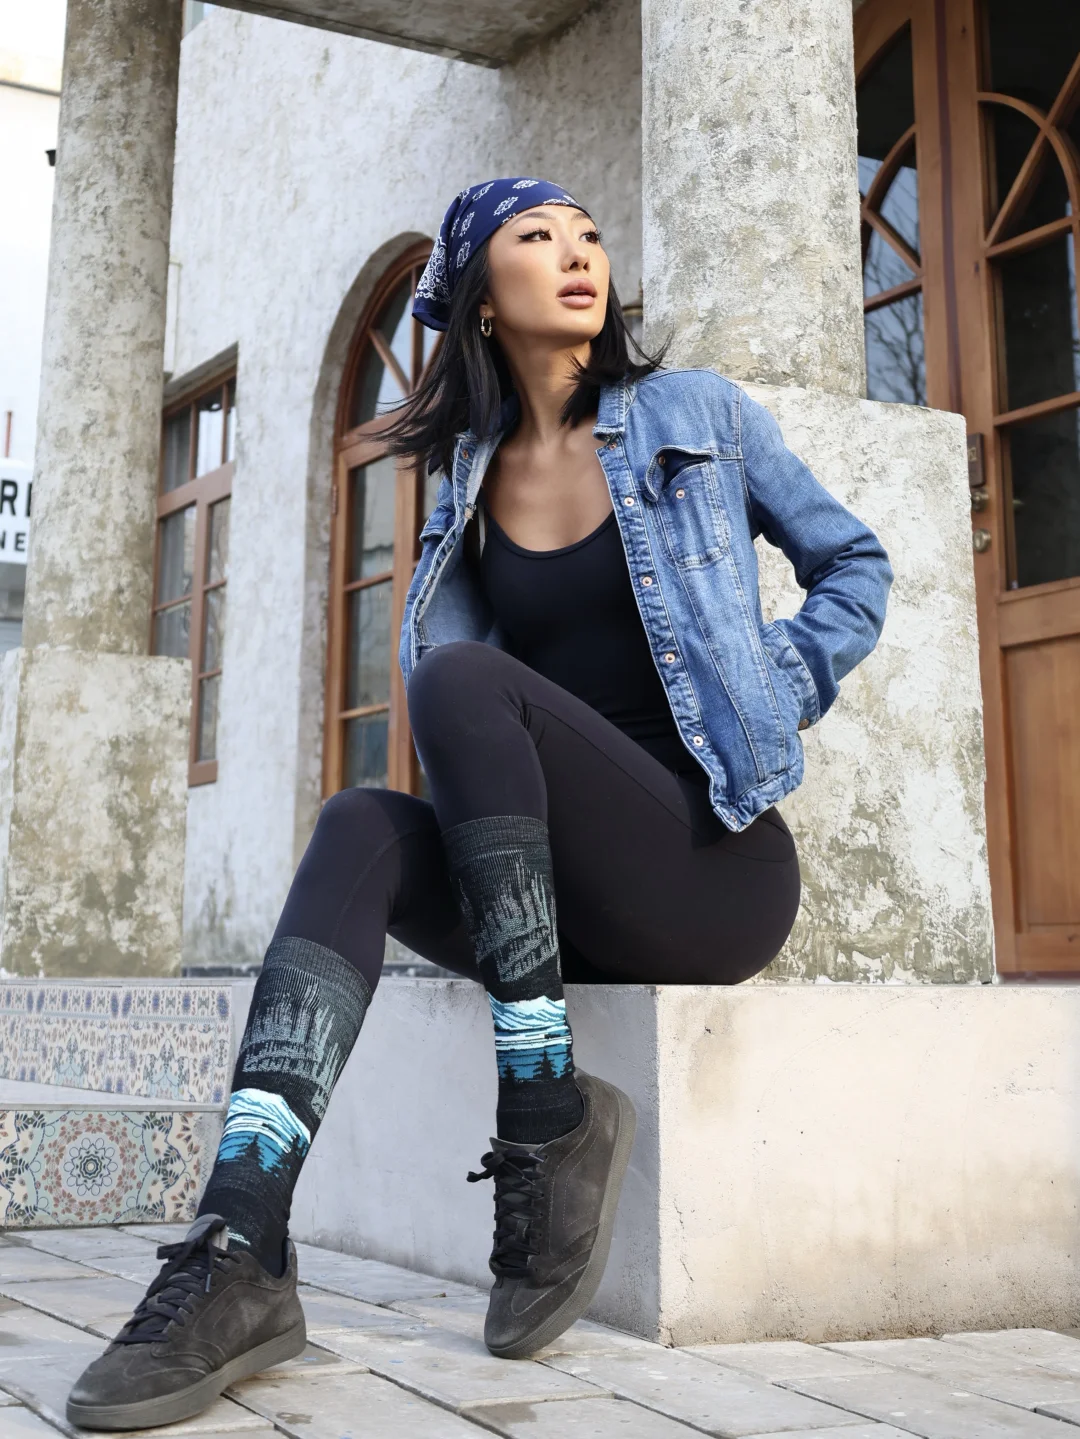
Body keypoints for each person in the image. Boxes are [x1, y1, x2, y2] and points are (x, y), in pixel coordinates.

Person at [67, 177, 892, 1432]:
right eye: (537, 237)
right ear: (480, 297)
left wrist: (777, 685)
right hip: (552, 902)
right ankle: (239, 1243)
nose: (578, 253)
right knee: (358, 821)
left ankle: (543, 1110)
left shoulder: (697, 414)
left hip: (708, 868)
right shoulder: (465, 481)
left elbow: (854, 561)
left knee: (455, 676)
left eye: (589, 235)